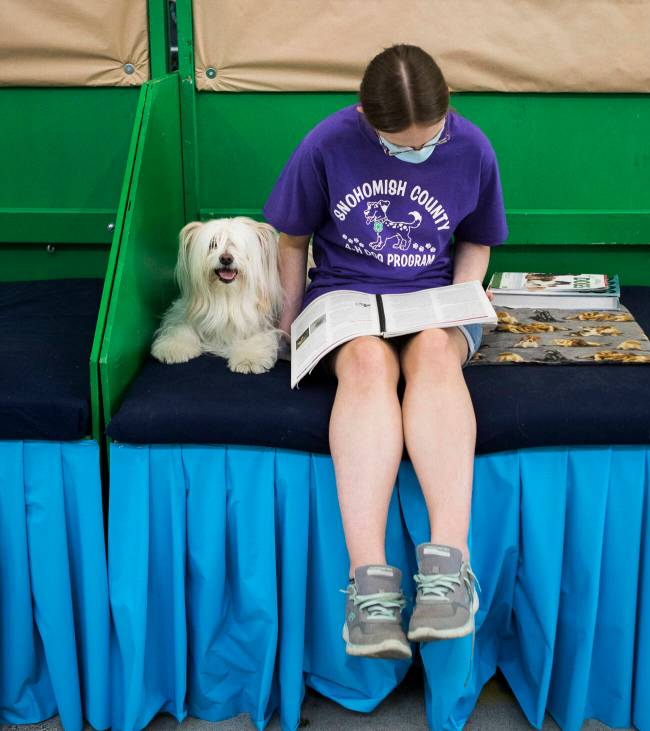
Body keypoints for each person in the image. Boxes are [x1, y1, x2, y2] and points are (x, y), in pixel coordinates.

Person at [264, 44, 507, 660]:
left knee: (431, 351)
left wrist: (460, 301)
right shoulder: (327, 142)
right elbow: (291, 241)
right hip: (347, 298)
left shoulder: (473, 147)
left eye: (424, 143)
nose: (412, 152)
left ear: (448, 107)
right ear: (366, 118)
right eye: (396, 145)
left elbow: (477, 239)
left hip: (434, 302)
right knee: (370, 362)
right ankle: (369, 584)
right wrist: (289, 325)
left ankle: (450, 569)